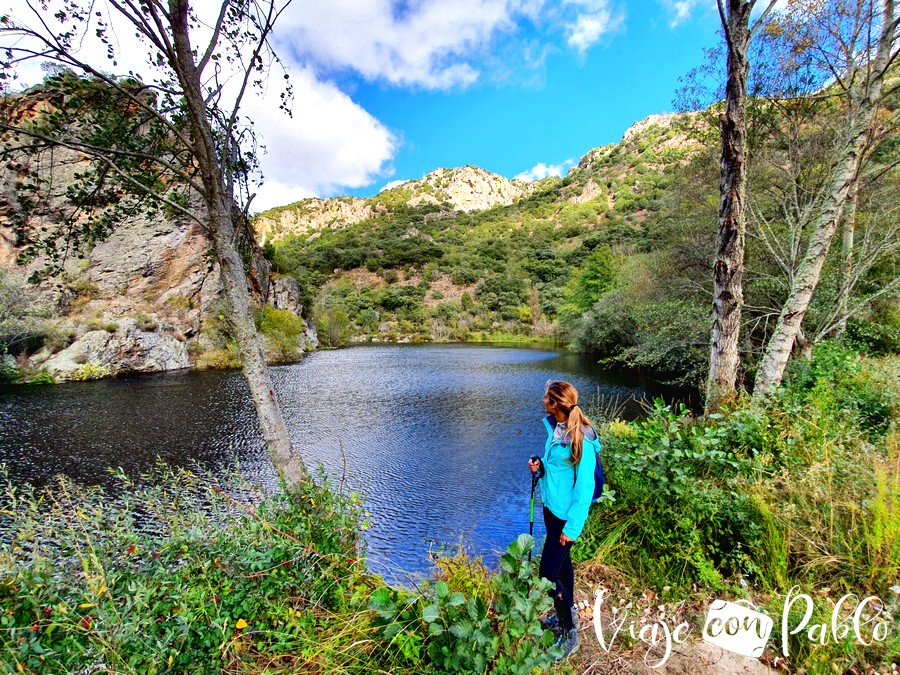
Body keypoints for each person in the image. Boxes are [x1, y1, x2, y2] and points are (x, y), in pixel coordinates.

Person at [528, 380, 599, 661]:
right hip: (551, 510)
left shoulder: (582, 439)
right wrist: (540, 466)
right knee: (562, 567)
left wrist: (572, 527)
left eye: (547, 399)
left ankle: (570, 633)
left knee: (546, 575)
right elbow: (557, 468)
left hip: (565, 518)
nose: (543, 402)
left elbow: (584, 489)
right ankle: (567, 615)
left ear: (556, 403)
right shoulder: (556, 428)